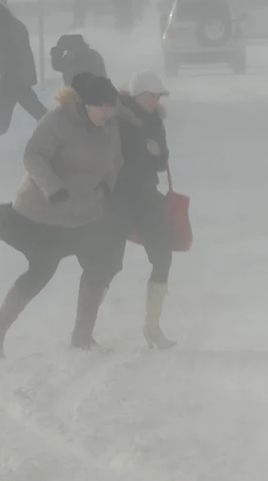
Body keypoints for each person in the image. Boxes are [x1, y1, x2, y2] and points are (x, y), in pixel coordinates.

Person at [0, 72, 124, 357]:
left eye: (111, 107)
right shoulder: (60, 120)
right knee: (42, 269)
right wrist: (53, 188)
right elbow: (33, 155)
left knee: (101, 265)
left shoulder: (111, 127)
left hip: (83, 212)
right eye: (101, 106)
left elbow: (115, 160)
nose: (106, 112)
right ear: (86, 104)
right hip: (41, 213)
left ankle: (82, 336)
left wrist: (106, 188)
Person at [109, 71, 176, 349]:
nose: (155, 100)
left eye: (158, 95)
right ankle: (83, 331)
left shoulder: (156, 121)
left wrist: (157, 153)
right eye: (151, 95)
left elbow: (162, 162)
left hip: (145, 197)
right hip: (116, 198)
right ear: (137, 94)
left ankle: (152, 327)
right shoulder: (117, 119)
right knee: (107, 263)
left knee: (162, 255)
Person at [0, 0, 49, 137]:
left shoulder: (10, 28)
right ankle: (57, 129)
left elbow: (10, 51)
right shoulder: (12, 25)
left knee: (35, 111)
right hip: (16, 77)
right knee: (32, 111)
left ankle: (59, 131)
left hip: (16, 78)